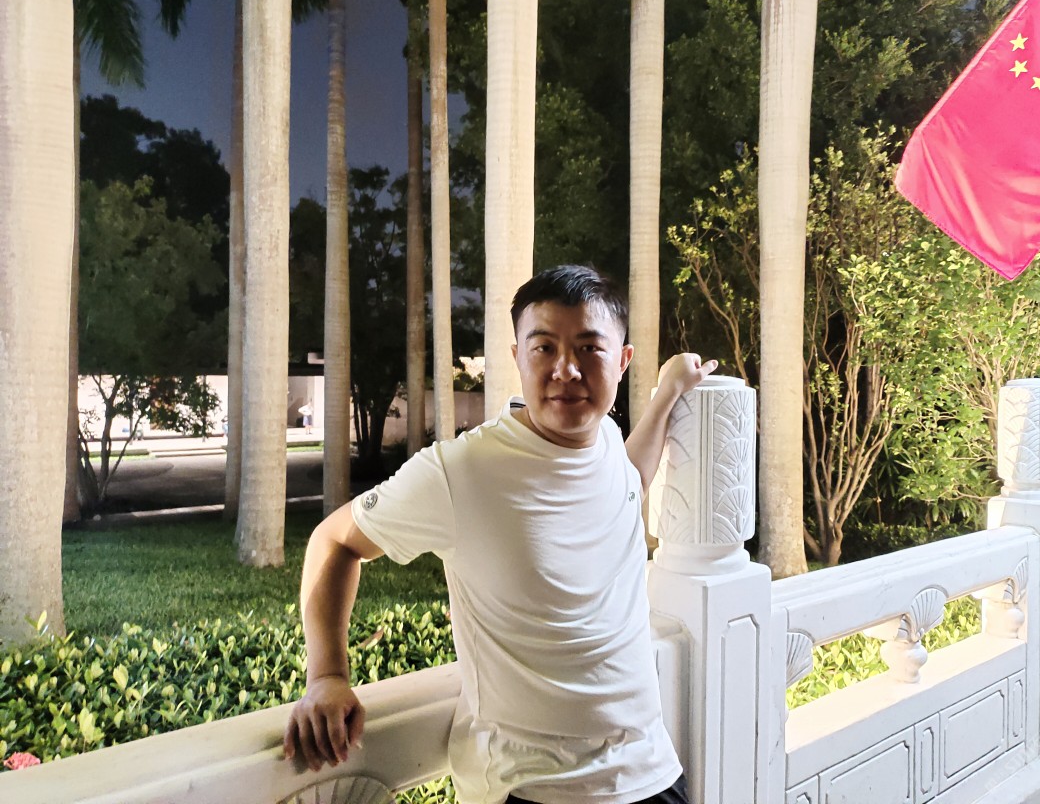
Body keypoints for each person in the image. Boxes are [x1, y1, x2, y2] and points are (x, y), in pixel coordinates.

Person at [283, 264, 717, 804]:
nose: (566, 370)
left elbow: (632, 480)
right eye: (544, 348)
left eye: (589, 348)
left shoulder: (606, 437)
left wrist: (669, 393)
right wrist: (327, 675)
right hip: (532, 788)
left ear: (623, 360)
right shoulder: (461, 470)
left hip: (651, 774)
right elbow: (336, 540)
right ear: (517, 357)